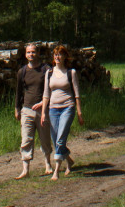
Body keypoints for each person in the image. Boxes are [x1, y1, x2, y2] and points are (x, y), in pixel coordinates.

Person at [41, 44, 84, 180]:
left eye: (60, 54)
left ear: (65, 56)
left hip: (67, 108)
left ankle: (56, 170)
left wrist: (79, 113)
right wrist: (43, 113)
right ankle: (69, 161)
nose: (57, 57)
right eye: (55, 54)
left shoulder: (71, 73)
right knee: (56, 141)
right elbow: (46, 94)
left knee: (60, 139)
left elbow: (77, 95)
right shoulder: (49, 73)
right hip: (53, 109)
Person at [13, 43, 53, 179]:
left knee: (45, 139)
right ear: (25, 55)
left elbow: (51, 89)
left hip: (43, 110)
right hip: (27, 109)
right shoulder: (22, 72)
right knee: (26, 139)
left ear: (38, 53)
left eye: (33, 52)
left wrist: (44, 104)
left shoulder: (45, 69)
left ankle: (48, 165)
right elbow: (19, 91)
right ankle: (25, 170)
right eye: (29, 52)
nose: (31, 54)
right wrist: (17, 108)